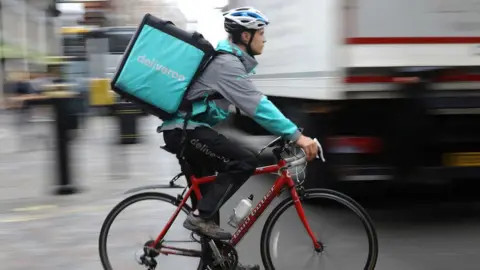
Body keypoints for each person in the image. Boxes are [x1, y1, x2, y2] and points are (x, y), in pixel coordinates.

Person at [160, 7, 319, 269]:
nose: (264, 39)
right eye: (261, 33)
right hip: (185, 131)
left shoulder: (230, 63)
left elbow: (253, 104)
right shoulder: (227, 65)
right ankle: (200, 217)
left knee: (211, 201)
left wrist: (288, 133)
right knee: (245, 160)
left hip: (188, 130)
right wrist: (297, 136)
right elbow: (257, 105)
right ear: (246, 36)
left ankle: (217, 261)